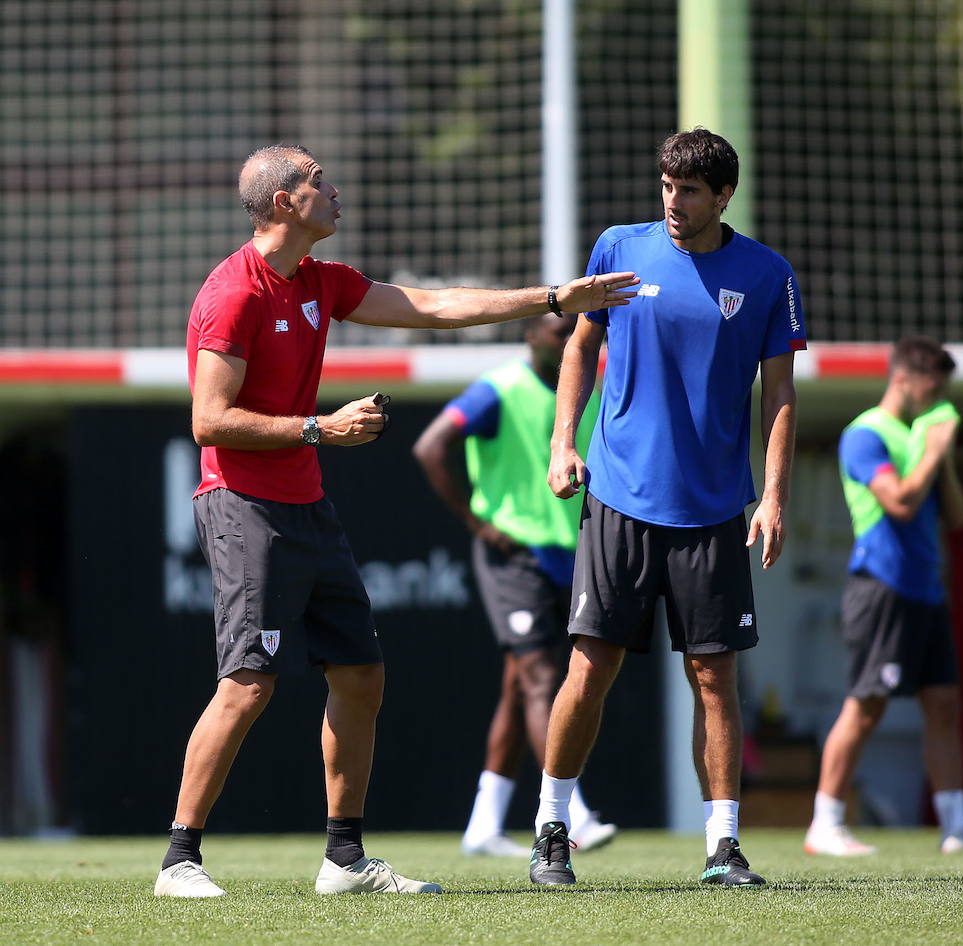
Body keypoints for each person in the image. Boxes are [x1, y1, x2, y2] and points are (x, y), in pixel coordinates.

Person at [154, 144, 637, 898]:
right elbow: (209, 421)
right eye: (319, 183)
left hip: (306, 503)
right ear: (284, 203)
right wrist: (322, 428)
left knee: (360, 674)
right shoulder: (231, 293)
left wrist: (552, 299)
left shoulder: (321, 281)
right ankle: (179, 861)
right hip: (243, 504)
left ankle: (344, 860)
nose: (335, 191)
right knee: (248, 682)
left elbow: (435, 306)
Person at [525, 128, 805, 888]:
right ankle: (553, 828)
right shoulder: (619, 246)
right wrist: (563, 443)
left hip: (713, 509)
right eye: (666, 186)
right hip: (618, 498)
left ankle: (723, 846)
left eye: (689, 190)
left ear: (723, 196)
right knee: (590, 668)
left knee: (715, 679)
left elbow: (778, 395)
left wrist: (774, 494)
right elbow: (580, 347)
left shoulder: (767, 274)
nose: (674, 203)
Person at [412, 314, 617, 857]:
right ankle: (572, 813)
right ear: (530, 337)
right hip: (515, 555)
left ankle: (484, 823)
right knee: (541, 677)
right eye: (557, 332)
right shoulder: (499, 389)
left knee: (519, 684)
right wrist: (478, 523)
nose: (568, 340)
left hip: (573, 554)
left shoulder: (592, 388)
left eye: (575, 332)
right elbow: (431, 447)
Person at [805, 337, 963, 858]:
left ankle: (956, 827)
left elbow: (958, 517)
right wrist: (935, 449)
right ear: (903, 379)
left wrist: (942, 460)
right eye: (933, 388)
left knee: (944, 704)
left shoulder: (921, 434)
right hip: (881, 587)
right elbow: (897, 501)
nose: (939, 399)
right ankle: (825, 823)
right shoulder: (864, 435)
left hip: (926, 589)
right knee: (867, 704)